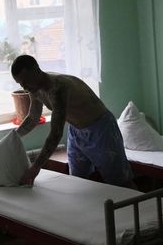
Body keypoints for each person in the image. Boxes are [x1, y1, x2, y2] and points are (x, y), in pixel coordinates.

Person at [11, 55, 134, 187]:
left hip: (101, 129)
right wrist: (12, 137)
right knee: (77, 181)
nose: (24, 87)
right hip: (76, 131)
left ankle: (144, 206)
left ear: (36, 71)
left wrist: (35, 168)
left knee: (120, 182)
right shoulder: (34, 88)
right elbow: (33, 117)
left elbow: (55, 134)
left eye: (25, 81)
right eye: (20, 84)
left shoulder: (58, 87)